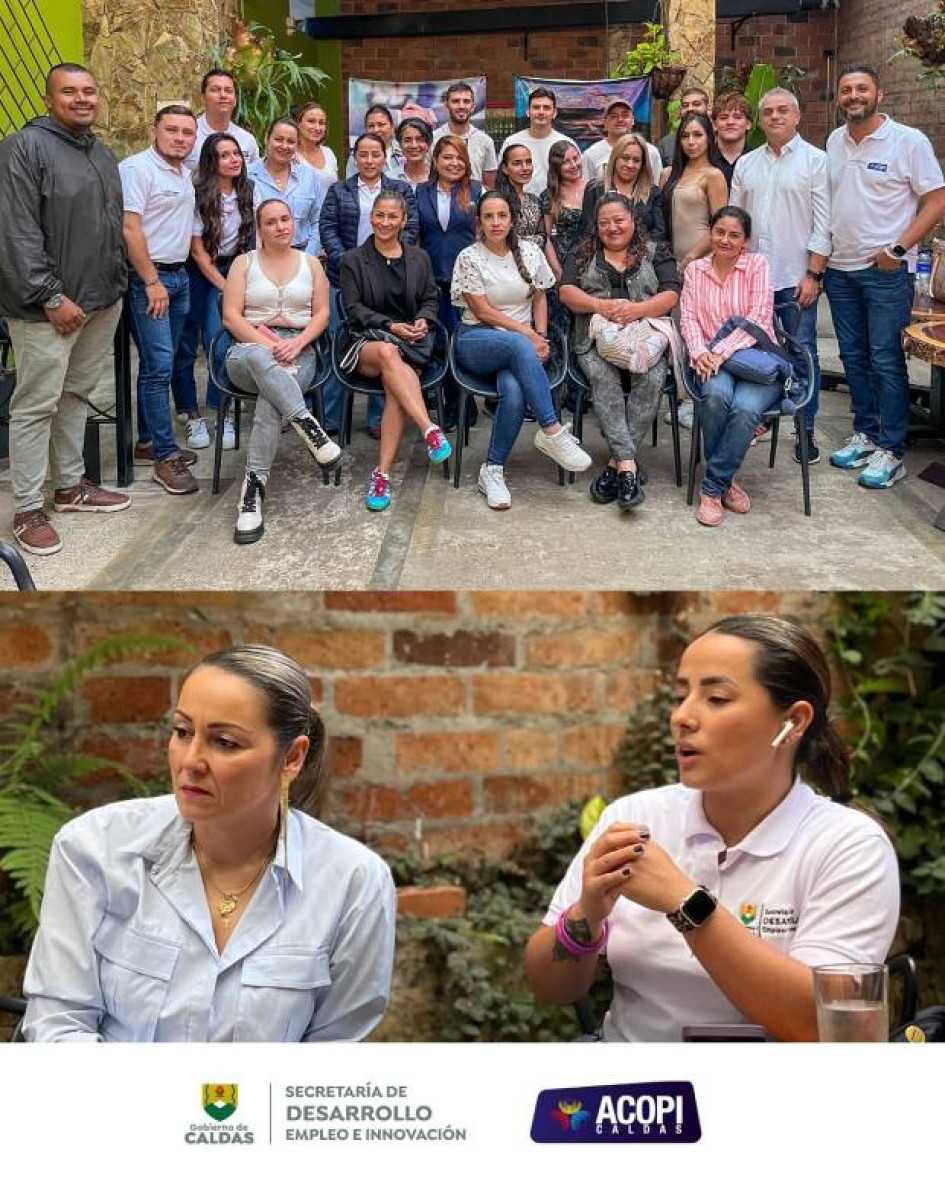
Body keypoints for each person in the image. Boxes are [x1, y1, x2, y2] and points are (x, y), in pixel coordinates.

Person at [525, 614, 900, 1043]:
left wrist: (685, 902)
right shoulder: (634, 818)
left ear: (793, 722)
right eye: (682, 695)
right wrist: (587, 913)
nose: (682, 717)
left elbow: (822, 1027)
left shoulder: (849, 846)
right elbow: (550, 988)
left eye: (717, 698)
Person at [23, 644, 397, 1042]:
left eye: (225, 742)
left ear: (291, 757)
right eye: (183, 732)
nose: (191, 761)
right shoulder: (95, 849)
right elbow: (58, 1026)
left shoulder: (354, 883)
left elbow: (331, 1053)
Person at [0, 63, 130, 557]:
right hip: (46, 309)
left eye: (89, 91)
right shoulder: (23, 149)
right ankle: (28, 507)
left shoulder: (100, 153)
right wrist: (49, 296)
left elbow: (110, 226)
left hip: (100, 301)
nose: (82, 99)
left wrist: (115, 287)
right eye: (70, 91)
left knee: (76, 395)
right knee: (36, 404)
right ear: (50, 96)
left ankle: (70, 486)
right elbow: (13, 233)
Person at [824, 64, 945, 490]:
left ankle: (891, 449)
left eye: (861, 89)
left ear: (881, 95)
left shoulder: (908, 142)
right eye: (845, 90)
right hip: (839, 271)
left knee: (885, 359)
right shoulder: (834, 142)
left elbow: (936, 200)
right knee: (853, 358)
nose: (853, 96)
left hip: (883, 273)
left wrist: (898, 249)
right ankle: (867, 433)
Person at [451, 191, 592, 510]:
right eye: (489, 216)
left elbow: (540, 297)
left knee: (513, 390)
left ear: (512, 219)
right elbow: (484, 311)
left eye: (502, 215)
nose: (496, 222)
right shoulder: (469, 257)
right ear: (480, 222)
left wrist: (541, 335)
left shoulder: (530, 251)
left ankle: (493, 470)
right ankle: (552, 429)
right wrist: (530, 335)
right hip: (477, 340)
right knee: (516, 344)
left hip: (520, 348)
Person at [221, 199, 341, 545]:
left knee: (269, 401)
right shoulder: (244, 263)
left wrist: (299, 341)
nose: (280, 226)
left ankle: (252, 494)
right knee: (262, 361)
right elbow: (231, 317)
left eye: (285, 219)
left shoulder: (311, 264)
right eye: (271, 222)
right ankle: (308, 426)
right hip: (248, 347)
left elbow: (321, 315)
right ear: (260, 228)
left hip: (299, 349)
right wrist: (267, 346)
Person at [559, 195, 681, 511]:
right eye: (604, 223)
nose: (612, 228)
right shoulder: (583, 253)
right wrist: (601, 306)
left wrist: (638, 309)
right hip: (595, 338)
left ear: (633, 220)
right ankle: (629, 467)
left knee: (652, 379)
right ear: (596, 227)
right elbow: (567, 292)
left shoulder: (657, 251)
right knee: (603, 378)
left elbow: (671, 293)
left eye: (619, 220)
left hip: (646, 339)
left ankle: (616, 465)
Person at [730, 88, 831, 464]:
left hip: (795, 277)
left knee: (803, 353)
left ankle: (805, 428)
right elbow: (734, 224)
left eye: (782, 110)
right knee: (755, 352)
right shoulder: (747, 164)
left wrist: (814, 274)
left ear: (797, 116)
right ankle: (761, 419)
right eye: (768, 111)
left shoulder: (816, 161)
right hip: (752, 279)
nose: (775, 117)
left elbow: (824, 224)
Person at [338, 190, 453, 513]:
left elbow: (432, 299)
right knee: (389, 354)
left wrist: (422, 320)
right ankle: (430, 428)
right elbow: (353, 309)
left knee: (395, 390)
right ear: (371, 217)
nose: (385, 222)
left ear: (404, 220)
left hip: (411, 343)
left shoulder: (420, 257)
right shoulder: (352, 261)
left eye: (392, 216)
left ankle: (382, 474)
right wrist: (391, 327)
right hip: (366, 344)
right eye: (379, 215)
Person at [679, 206, 780, 527]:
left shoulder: (757, 266)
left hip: (755, 360)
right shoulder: (696, 270)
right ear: (710, 234)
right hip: (710, 361)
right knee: (715, 398)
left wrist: (720, 351)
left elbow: (758, 318)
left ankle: (711, 487)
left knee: (747, 409)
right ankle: (727, 479)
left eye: (734, 235)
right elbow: (689, 317)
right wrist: (698, 351)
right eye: (720, 232)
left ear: (745, 240)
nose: (725, 240)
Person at [120, 104, 201, 495]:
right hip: (150, 279)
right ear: (155, 130)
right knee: (159, 366)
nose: (180, 138)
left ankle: (149, 441)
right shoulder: (137, 169)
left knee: (161, 364)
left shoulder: (184, 173)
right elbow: (129, 228)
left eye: (187, 132)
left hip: (179, 276)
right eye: (172, 130)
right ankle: (165, 458)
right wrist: (151, 280)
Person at [320, 133, 418, 438]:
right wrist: (348, 262)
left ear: (385, 156)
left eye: (376, 154)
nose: (370, 160)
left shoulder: (400, 189)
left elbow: (411, 228)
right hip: (344, 278)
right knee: (339, 343)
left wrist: (389, 261)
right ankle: (332, 416)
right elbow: (328, 227)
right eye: (363, 154)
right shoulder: (339, 190)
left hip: (388, 279)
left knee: (384, 341)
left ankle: (379, 419)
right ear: (355, 156)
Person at [172, 132, 256, 454]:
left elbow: (251, 240)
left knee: (219, 344)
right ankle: (190, 413)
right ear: (211, 161)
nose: (234, 159)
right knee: (186, 347)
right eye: (225, 155)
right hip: (199, 272)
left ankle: (221, 413)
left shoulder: (248, 191)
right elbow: (197, 251)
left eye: (237, 154)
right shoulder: (199, 195)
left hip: (233, 269)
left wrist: (238, 281)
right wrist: (225, 286)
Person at [660, 112, 728, 273]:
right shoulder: (667, 175)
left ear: (709, 138)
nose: (691, 142)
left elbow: (719, 226)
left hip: (702, 263)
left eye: (698, 135)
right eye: (685, 136)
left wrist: (690, 258)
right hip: (668, 263)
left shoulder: (713, 176)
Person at [248, 118, 323, 255]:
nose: (284, 146)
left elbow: (318, 220)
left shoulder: (310, 176)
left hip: (303, 251)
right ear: (266, 138)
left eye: (291, 141)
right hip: (261, 255)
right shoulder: (248, 175)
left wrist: (308, 257)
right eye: (278, 139)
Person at [581, 132, 666, 243]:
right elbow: (587, 231)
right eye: (625, 158)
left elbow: (659, 233)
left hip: (645, 256)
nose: (630, 165)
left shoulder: (653, 193)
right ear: (615, 158)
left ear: (642, 164)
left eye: (636, 160)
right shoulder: (594, 189)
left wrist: (638, 255)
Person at [499, 87, 577, 196]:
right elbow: (501, 180)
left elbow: (576, 179)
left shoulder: (567, 143)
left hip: (556, 205)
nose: (541, 112)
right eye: (536, 107)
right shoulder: (511, 142)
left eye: (546, 108)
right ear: (527, 111)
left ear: (554, 113)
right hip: (519, 204)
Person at [184, 68, 260, 170]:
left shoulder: (247, 140)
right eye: (215, 90)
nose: (223, 95)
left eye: (228, 91)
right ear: (203, 97)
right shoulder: (187, 135)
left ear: (235, 98)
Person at [582, 97, 662, 190]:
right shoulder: (591, 155)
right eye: (613, 116)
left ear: (633, 120)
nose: (620, 119)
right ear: (605, 122)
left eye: (625, 115)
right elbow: (587, 191)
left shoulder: (651, 152)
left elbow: (657, 187)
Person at [432, 81, 497, 186]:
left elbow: (489, 186)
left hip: (474, 201)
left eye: (466, 101)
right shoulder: (433, 139)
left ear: (473, 106)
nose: (461, 106)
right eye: (455, 101)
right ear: (446, 105)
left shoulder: (485, 141)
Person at [541, 140, 587, 283]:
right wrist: (557, 270)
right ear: (556, 166)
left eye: (576, 158)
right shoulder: (549, 195)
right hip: (564, 261)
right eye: (566, 162)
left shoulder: (595, 188)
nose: (574, 165)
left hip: (593, 261)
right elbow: (545, 237)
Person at [495, 143, 546, 249]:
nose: (525, 168)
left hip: (534, 261)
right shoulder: (496, 201)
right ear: (505, 168)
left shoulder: (534, 200)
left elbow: (544, 236)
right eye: (517, 163)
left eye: (528, 162)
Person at [346, 103, 406, 181]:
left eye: (381, 124)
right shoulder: (356, 157)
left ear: (392, 128)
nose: (376, 130)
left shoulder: (405, 151)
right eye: (371, 126)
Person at [658, 87, 709, 167]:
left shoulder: (718, 139)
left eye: (696, 104)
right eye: (685, 105)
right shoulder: (666, 144)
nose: (690, 108)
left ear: (707, 107)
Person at [712, 91, 753, 190]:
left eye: (737, 117)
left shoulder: (758, 161)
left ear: (748, 124)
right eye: (724, 117)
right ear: (714, 125)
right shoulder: (703, 160)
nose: (730, 122)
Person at [295, 101, 338, 189]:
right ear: (298, 124)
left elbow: (337, 189)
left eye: (321, 123)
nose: (317, 127)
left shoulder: (328, 153)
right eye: (311, 121)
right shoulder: (291, 155)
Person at [396, 117, 433, 189]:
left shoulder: (439, 178)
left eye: (420, 139)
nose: (414, 145)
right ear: (400, 145)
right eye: (407, 140)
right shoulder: (389, 179)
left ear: (428, 144)